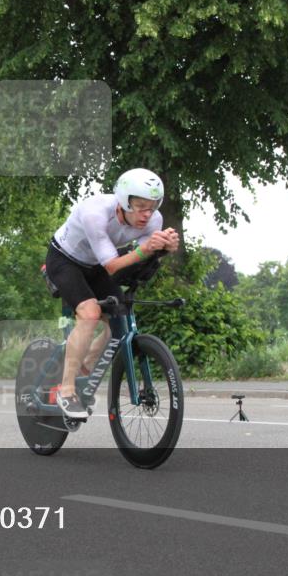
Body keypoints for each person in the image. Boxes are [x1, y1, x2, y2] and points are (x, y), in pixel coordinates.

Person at [44, 168, 180, 418]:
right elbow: (113, 265)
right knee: (90, 313)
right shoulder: (95, 213)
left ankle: (85, 367)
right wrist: (147, 248)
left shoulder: (154, 220)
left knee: (120, 317)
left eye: (152, 207)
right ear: (123, 201)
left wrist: (162, 250)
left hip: (95, 264)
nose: (146, 215)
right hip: (64, 260)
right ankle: (66, 390)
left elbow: (136, 262)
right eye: (140, 206)